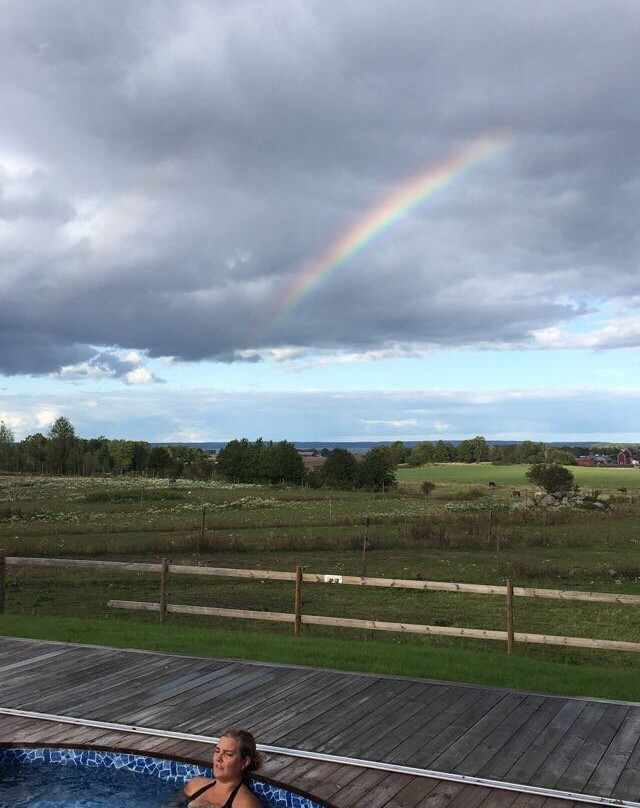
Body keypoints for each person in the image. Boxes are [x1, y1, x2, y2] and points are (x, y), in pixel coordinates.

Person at [178, 729, 264, 808]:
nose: (219, 758)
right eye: (217, 751)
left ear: (244, 762)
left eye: (228, 754)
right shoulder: (195, 785)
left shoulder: (245, 804)